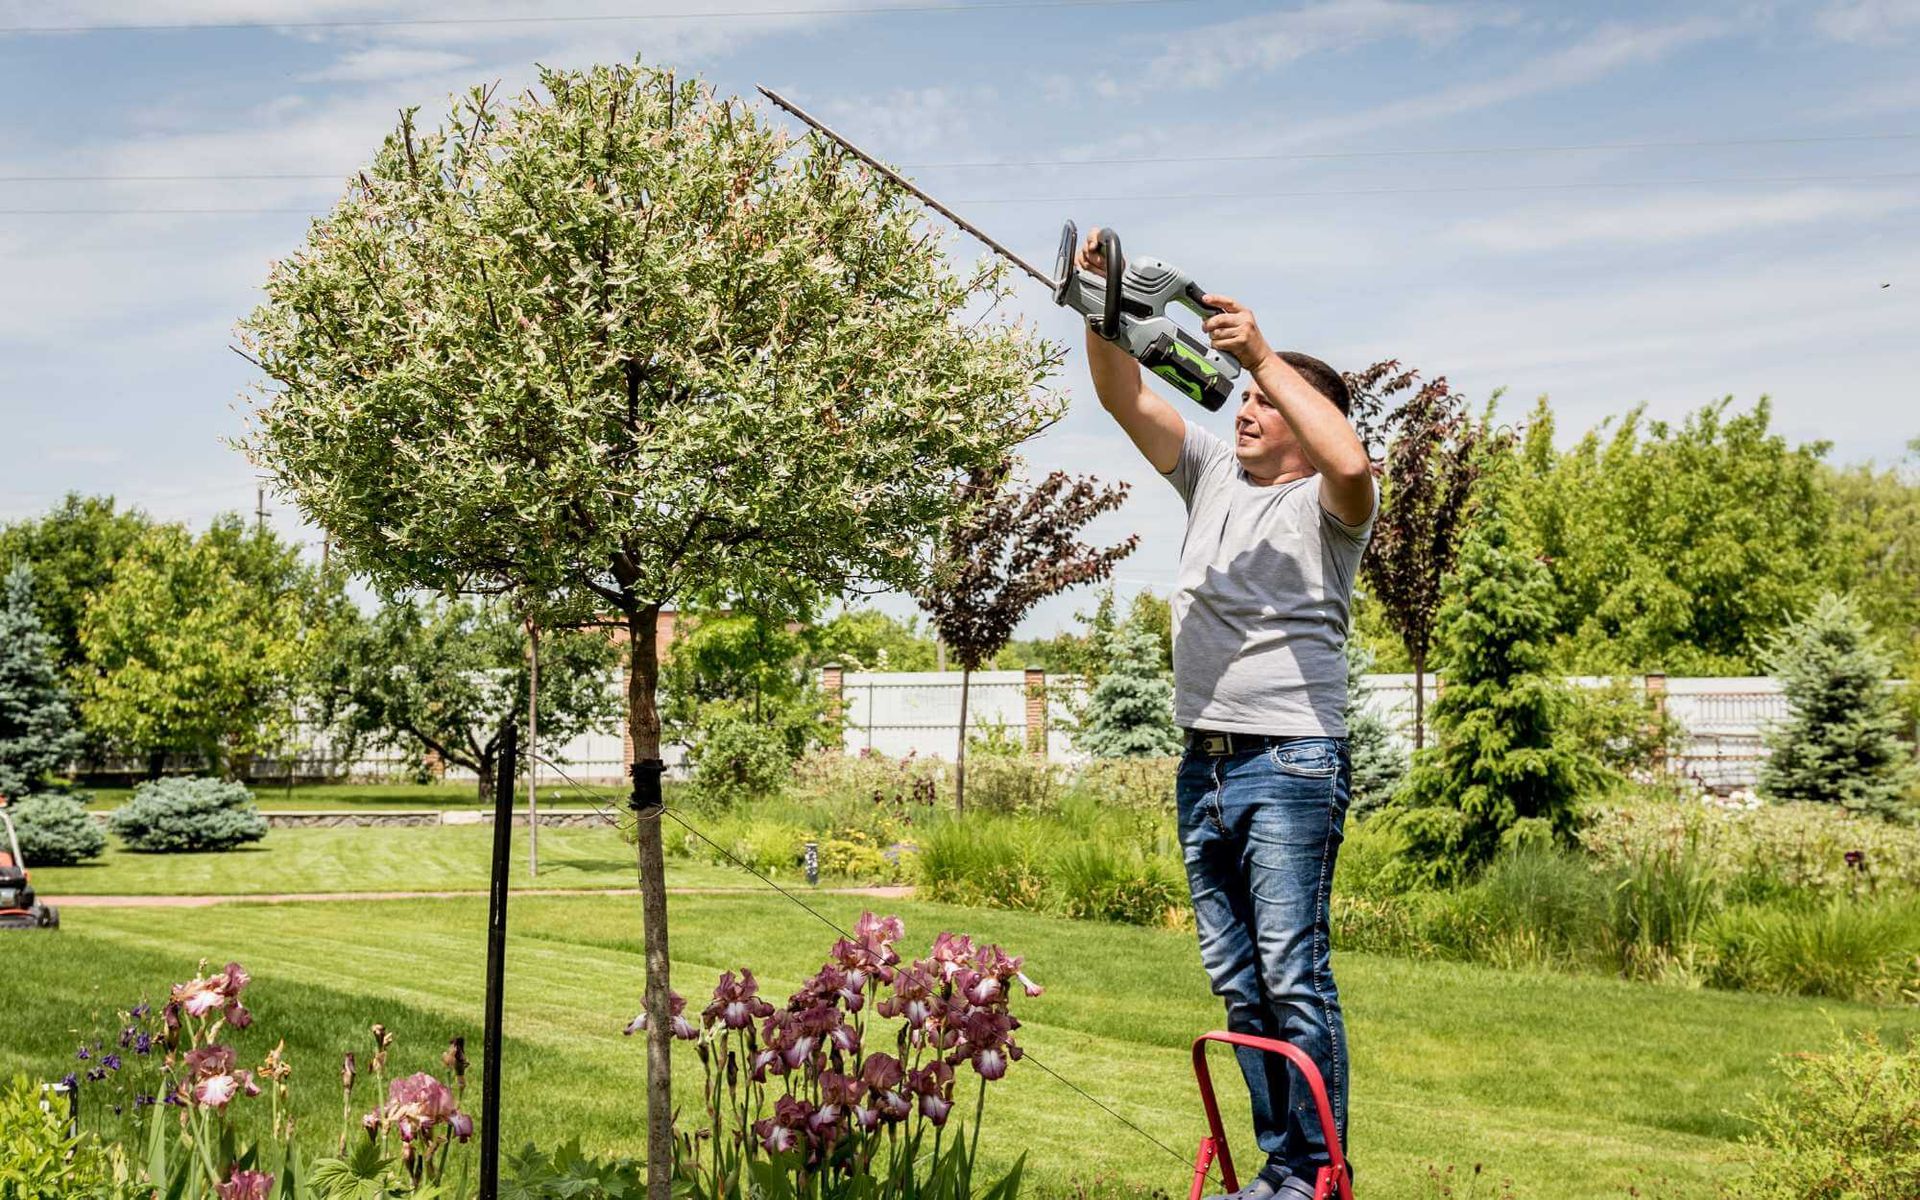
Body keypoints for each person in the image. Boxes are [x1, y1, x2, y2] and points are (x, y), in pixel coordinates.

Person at [1075, 230, 1375, 1199]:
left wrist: (1263, 357)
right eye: (1244, 401)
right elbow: (1124, 396)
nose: (1244, 413)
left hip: (1289, 764)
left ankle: (1320, 1173)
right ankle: (1282, 1167)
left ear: (1301, 411)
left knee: (1293, 974)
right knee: (1239, 984)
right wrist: (1098, 305)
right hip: (1201, 764)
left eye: (1262, 404)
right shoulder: (1209, 475)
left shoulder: (1332, 508)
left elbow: (1353, 458)